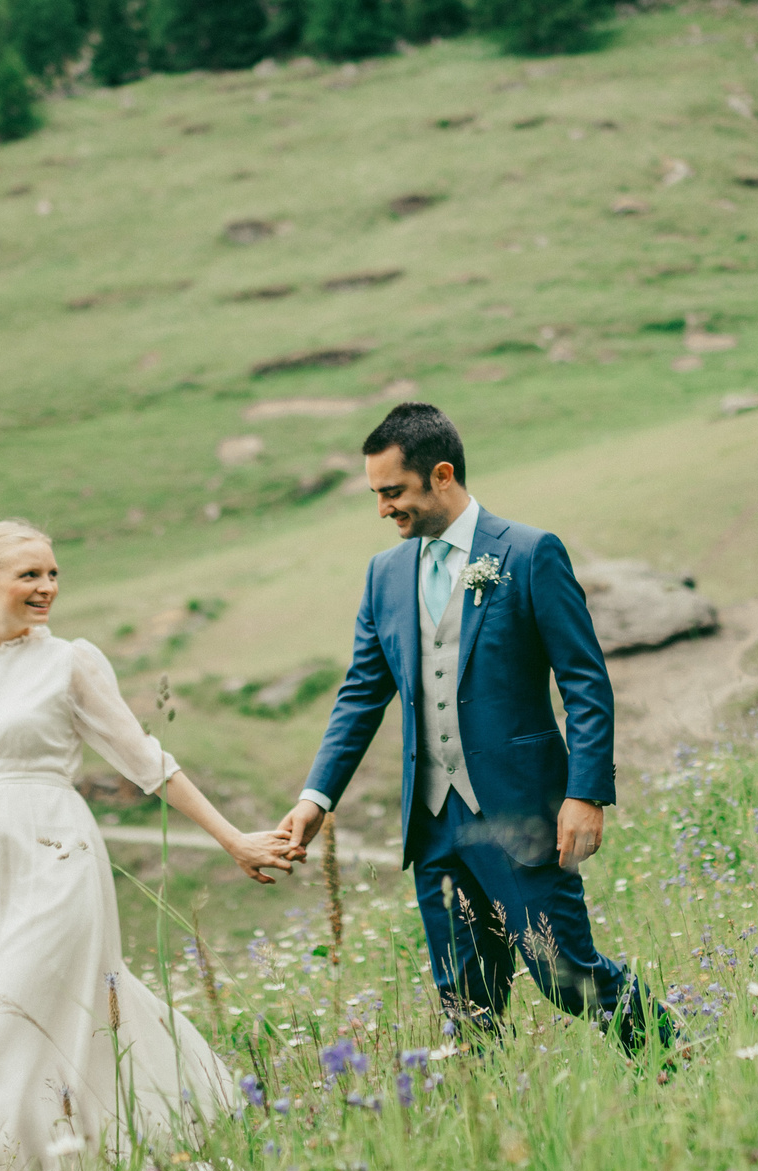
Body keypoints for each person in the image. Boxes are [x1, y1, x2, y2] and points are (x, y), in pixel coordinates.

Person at [0, 519, 295, 1171]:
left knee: (6, 1023)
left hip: (58, 859)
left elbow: (147, 761)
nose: (48, 586)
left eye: (53, 573)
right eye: (31, 574)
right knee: (60, 1017)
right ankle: (121, 1156)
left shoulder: (68, 661)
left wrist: (234, 838)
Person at [274, 403, 672, 1058]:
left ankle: (671, 1057)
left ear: (442, 475)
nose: (382, 509)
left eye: (392, 492)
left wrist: (586, 792)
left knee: (566, 975)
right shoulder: (385, 576)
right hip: (432, 827)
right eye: (375, 494)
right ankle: (491, 1129)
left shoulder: (529, 551)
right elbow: (361, 694)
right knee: (467, 1005)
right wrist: (316, 798)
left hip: (521, 813)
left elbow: (585, 681)